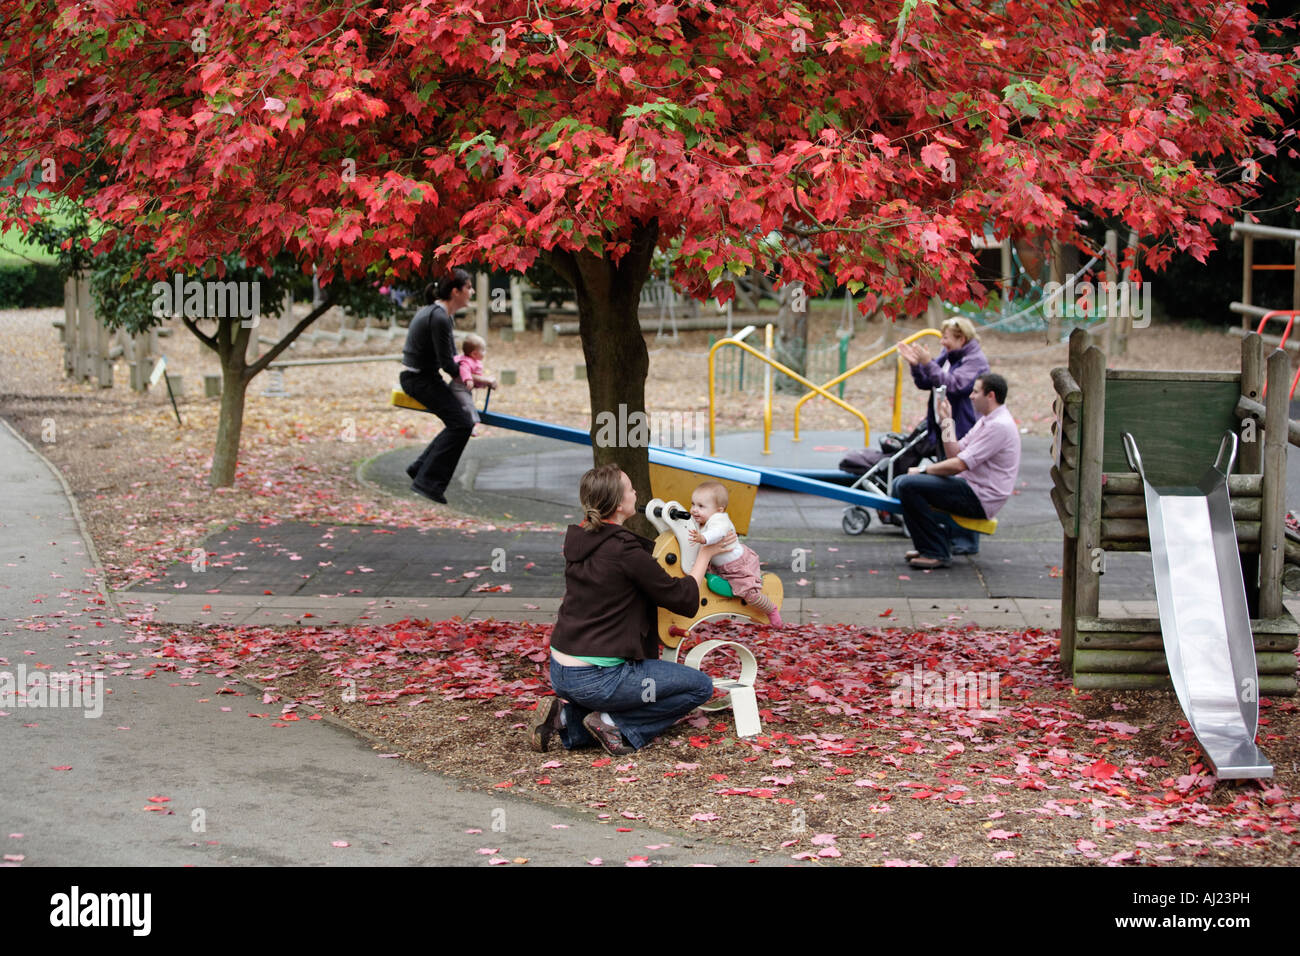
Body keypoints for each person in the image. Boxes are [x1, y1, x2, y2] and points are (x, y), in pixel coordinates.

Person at [529, 465, 737, 756]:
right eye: (630, 489)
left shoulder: (581, 539)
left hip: (561, 671)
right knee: (699, 687)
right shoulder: (624, 550)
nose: (636, 493)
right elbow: (682, 598)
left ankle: (564, 719)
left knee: (640, 681)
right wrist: (705, 553)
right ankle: (613, 722)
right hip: (596, 678)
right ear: (618, 504)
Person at [891, 372, 1020, 570]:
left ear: (990, 396)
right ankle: (931, 545)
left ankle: (936, 550)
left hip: (981, 498)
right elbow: (955, 454)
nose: (971, 396)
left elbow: (959, 464)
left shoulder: (999, 426)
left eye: (976, 392)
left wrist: (923, 470)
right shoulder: (987, 421)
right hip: (971, 487)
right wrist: (947, 422)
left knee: (908, 485)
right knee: (902, 484)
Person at [896, 315, 990, 553]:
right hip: (943, 424)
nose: (943, 344)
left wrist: (927, 362)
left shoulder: (974, 360)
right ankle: (951, 534)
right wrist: (917, 366)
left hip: (962, 426)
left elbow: (954, 384)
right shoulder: (949, 356)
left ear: (961, 337)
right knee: (945, 482)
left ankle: (966, 540)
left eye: (946, 338)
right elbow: (928, 381)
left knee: (961, 480)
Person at [400, 270, 475, 504]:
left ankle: (420, 468)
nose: (472, 292)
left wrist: (468, 374)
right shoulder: (439, 317)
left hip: (424, 378)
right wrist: (471, 380)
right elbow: (448, 364)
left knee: (458, 422)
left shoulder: (440, 314)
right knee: (462, 424)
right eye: (469, 287)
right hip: (418, 380)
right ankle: (427, 482)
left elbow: (450, 359)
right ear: (456, 291)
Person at [686, 480, 782, 627]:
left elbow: (717, 533)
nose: (694, 510)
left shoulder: (720, 519)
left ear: (719, 510)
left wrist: (703, 538)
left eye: (701, 506)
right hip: (720, 566)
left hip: (738, 566)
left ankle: (771, 609)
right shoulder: (701, 520)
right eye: (693, 504)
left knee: (750, 594)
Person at [451, 333, 497, 433]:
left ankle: (470, 423)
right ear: (474, 354)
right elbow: (464, 370)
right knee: (468, 405)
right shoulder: (466, 362)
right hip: (458, 388)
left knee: (468, 404)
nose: (485, 352)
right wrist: (468, 379)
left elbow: (477, 378)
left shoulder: (474, 361)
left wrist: (484, 383)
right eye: (483, 350)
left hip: (465, 389)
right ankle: (471, 425)